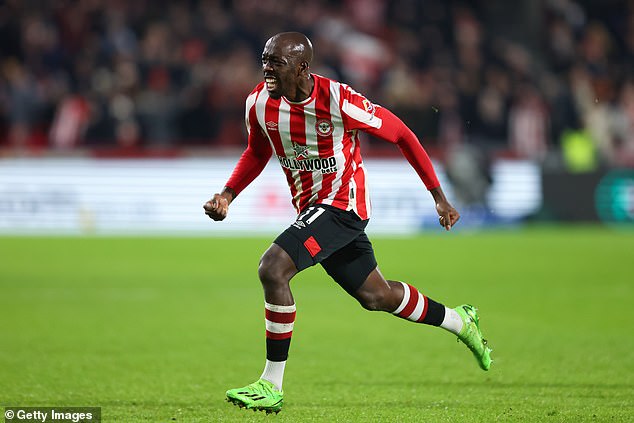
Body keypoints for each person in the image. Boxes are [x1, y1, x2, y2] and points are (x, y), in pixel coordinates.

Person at [204, 32, 492, 414]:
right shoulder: (258, 103)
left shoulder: (339, 100)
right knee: (377, 296)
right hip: (311, 210)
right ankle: (460, 321)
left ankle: (270, 384)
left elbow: (402, 134)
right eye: (265, 60)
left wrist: (438, 195)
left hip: (343, 206)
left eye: (276, 62)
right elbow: (257, 152)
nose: (267, 69)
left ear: (303, 67)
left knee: (273, 268)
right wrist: (227, 194)